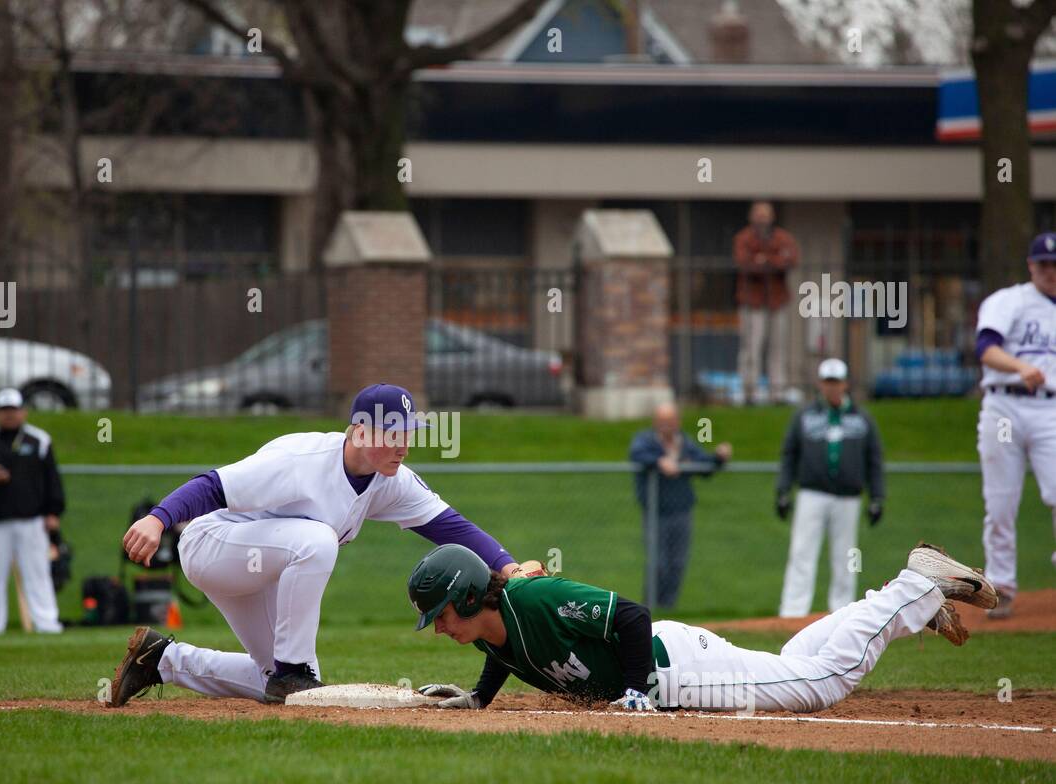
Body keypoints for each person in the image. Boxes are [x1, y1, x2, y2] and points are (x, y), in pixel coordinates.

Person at [108, 383, 538, 708]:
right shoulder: (302, 460)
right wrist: (157, 518)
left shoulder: (391, 480)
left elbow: (451, 527)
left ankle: (163, 660)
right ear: (359, 431)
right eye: (392, 433)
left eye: (409, 433)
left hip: (268, 564)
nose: (403, 445)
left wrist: (508, 566)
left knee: (282, 689)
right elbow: (213, 486)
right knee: (316, 541)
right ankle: (293, 670)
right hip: (215, 546)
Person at [405, 541, 996, 712]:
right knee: (796, 659)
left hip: (680, 673)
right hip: (675, 669)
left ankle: (914, 587)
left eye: (441, 616)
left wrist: (636, 690)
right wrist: (478, 699)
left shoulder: (535, 598)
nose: (438, 629)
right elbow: (509, 654)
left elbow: (631, 616)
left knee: (825, 683)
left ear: (466, 595)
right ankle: (904, 602)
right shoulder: (491, 627)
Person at [974, 231, 1056, 620]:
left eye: (1055, 265)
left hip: (1051, 409)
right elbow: (986, 348)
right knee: (1001, 502)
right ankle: (1002, 586)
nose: (1050, 271)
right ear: (1031, 265)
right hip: (1006, 403)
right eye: (1044, 264)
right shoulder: (1010, 301)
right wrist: (1022, 366)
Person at [776, 358, 885, 617]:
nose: (832, 387)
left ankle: (842, 611)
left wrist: (877, 497)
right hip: (811, 493)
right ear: (820, 384)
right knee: (802, 551)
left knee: (846, 556)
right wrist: (782, 491)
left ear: (845, 383)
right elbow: (789, 454)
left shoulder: (861, 419)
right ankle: (793, 611)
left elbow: (874, 459)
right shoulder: (805, 416)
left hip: (848, 497)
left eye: (836, 382)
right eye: (827, 382)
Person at [0, 387, 65, 635]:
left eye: (13, 410)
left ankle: (47, 623)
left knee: (37, 572)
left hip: (31, 520)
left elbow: (52, 479)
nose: (9, 415)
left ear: (23, 412)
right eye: (4, 410)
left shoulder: (39, 441)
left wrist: (53, 512)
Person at [627, 402, 732, 608]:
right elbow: (637, 454)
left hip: (682, 511)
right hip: (656, 511)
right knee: (659, 563)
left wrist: (719, 458)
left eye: (670, 421)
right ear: (655, 422)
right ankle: (649, 607)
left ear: (678, 422)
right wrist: (659, 461)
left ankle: (668, 608)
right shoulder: (645, 440)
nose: (666, 426)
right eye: (662, 421)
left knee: (677, 563)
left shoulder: (684, 443)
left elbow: (703, 465)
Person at [733, 200, 800, 405]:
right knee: (751, 349)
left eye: (766, 214)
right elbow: (745, 264)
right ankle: (749, 392)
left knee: (778, 349)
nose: (762, 218)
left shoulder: (783, 237)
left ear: (772, 217)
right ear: (751, 217)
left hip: (777, 302)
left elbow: (792, 259)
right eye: (758, 214)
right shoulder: (743, 238)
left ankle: (777, 392)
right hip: (752, 303)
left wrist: (765, 260)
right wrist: (772, 261)